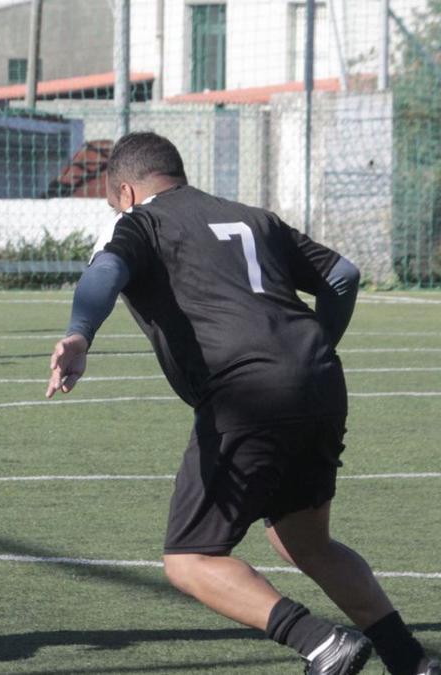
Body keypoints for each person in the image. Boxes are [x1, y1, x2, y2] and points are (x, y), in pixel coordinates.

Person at [46, 132, 439, 675]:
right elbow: (342, 276)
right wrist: (312, 348)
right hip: (319, 377)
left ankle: (322, 643)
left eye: (114, 203)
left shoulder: (140, 223)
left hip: (247, 393)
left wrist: (79, 333)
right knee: (304, 539)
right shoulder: (253, 216)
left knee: (190, 558)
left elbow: (106, 271)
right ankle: (411, 659)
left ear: (128, 193)